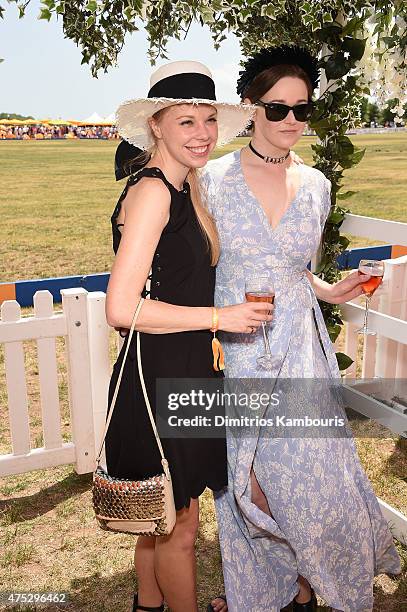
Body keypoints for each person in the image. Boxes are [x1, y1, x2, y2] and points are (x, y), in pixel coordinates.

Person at [202, 46, 401, 612]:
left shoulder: (315, 185)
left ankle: (316, 580)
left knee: (310, 469)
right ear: (250, 107)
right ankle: (275, 580)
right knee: (249, 479)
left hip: (299, 345)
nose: (291, 120)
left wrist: (333, 291)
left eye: (302, 110)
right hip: (237, 347)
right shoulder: (212, 179)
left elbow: (297, 272)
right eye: (277, 108)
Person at [104, 60, 272, 612]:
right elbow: (121, 308)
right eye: (186, 122)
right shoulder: (154, 193)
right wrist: (218, 319)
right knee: (178, 524)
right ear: (157, 125)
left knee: (161, 515)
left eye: (207, 121)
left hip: (183, 365)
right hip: (157, 374)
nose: (201, 134)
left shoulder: (185, 188)